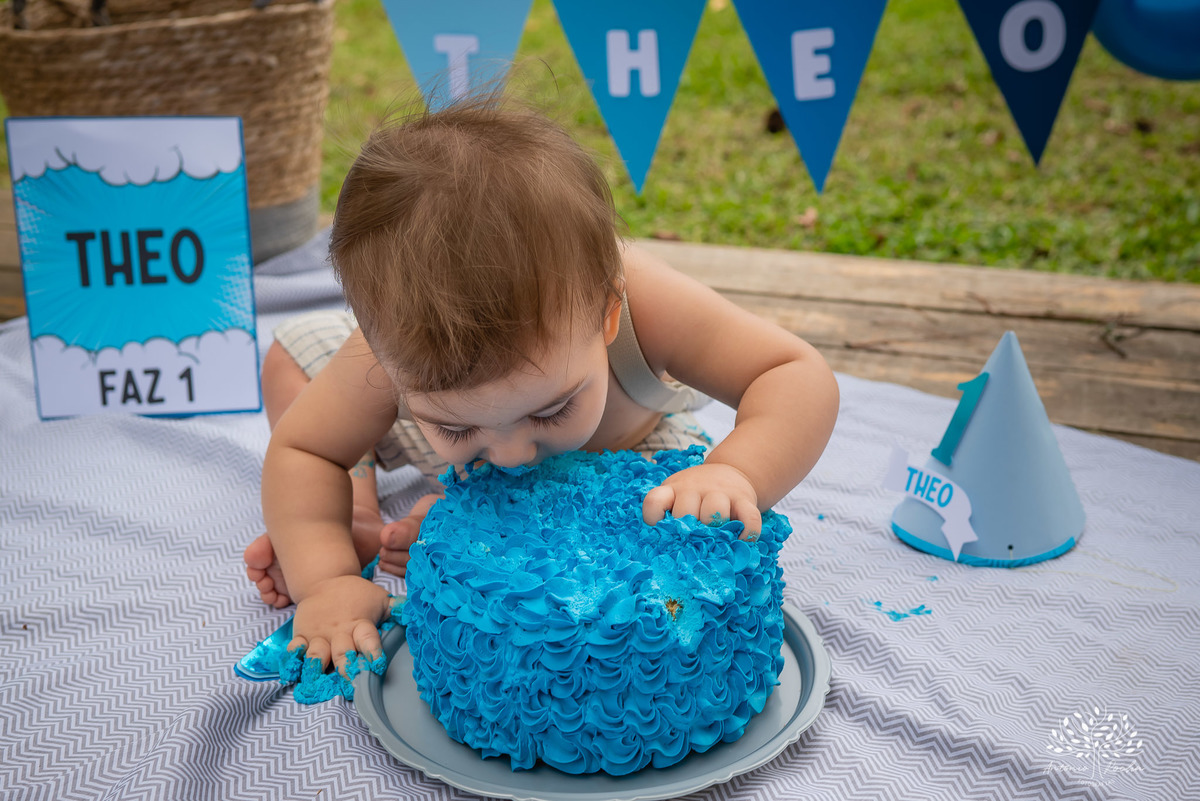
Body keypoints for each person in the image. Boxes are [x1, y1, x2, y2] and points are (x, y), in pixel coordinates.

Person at [243, 92, 839, 677]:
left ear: (605, 312)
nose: (512, 454)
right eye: (456, 422)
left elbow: (792, 373)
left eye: (551, 410)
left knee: (645, 563)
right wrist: (326, 578)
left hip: (626, 455)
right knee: (293, 363)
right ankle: (364, 513)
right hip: (426, 436)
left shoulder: (639, 300)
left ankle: (467, 516)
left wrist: (735, 471)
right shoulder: (391, 353)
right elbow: (307, 448)